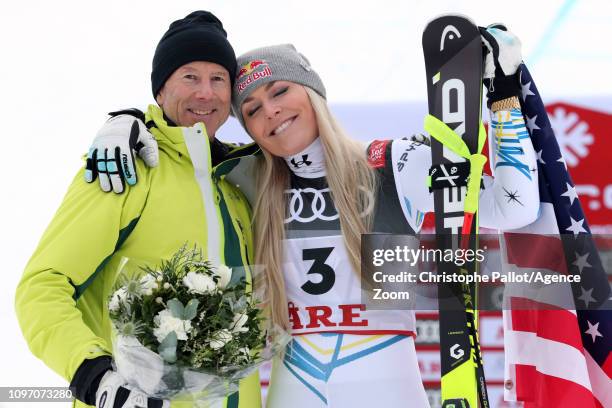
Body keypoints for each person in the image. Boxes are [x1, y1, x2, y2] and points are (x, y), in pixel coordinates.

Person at [84, 27, 538, 407]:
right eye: (253, 110)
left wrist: (503, 96)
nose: (272, 111)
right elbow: (182, 145)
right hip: (293, 380)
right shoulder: (247, 179)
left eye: (280, 91)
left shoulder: (393, 164)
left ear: (314, 92)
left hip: (385, 377)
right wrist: (124, 122)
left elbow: (514, 207)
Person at [15, 11, 262, 408]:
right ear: (160, 91)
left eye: (218, 79)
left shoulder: (239, 179)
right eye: (189, 77)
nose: (205, 93)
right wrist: (93, 374)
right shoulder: (124, 166)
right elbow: (42, 286)